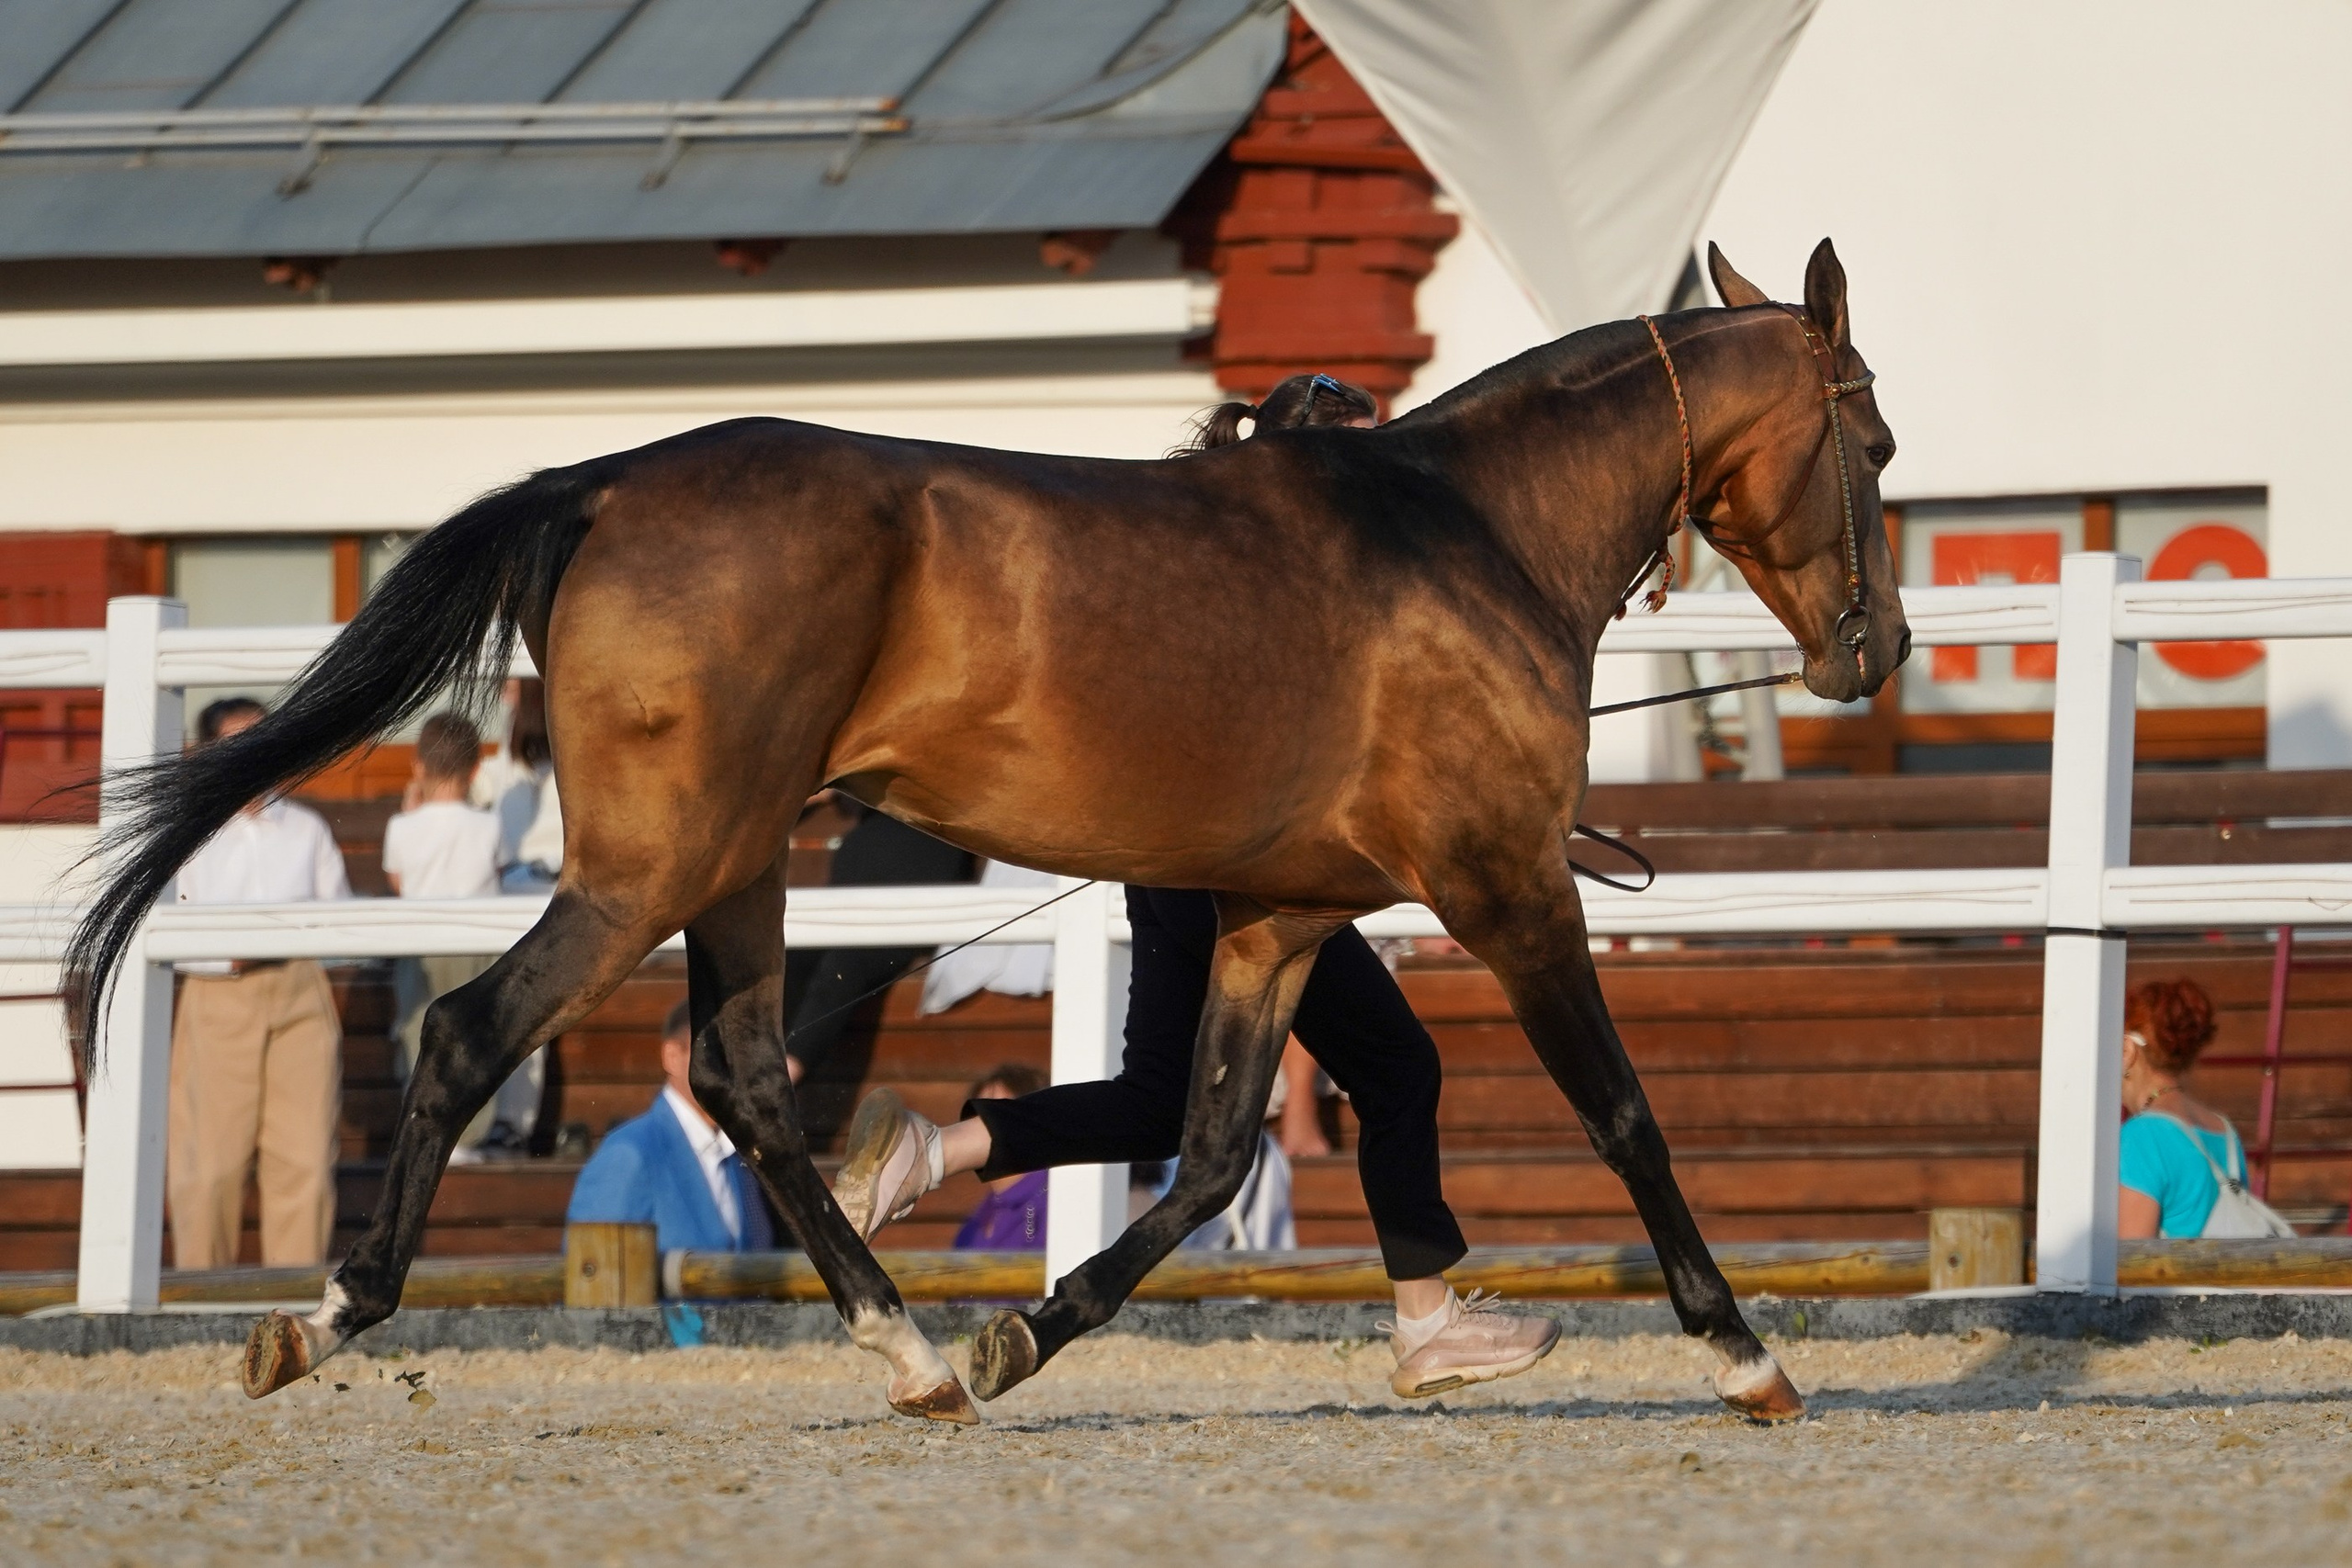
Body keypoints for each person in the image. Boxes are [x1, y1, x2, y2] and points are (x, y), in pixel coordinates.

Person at [166, 696, 351, 1269]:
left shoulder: (308, 829)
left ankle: (291, 1309)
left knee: (305, 1161)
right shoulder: (186, 832)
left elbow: (343, 918)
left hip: (299, 993)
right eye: (236, 740)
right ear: (206, 753)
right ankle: (203, 1307)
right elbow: (163, 922)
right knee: (211, 1167)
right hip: (219, 996)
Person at [385, 712, 539, 1161]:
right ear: (475, 770)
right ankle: (469, 1137)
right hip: (476, 946)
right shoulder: (489, 825)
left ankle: (420, 1129)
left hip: (419, 946)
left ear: (418, 767)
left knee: (419, 1036)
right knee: (476, 1040)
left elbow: (398, 882)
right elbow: (496, 869)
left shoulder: (401, 827)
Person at [567, 998, 775, 1253]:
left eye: (745, 1055)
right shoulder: (630, 1155)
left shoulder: (741, 1153)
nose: (736, 1067)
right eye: (718, 1052)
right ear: (673, 1056)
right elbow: (592, 1275)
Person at [2119, 977, 2296, 1239]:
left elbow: (2129, 1263)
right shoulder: (2222, 1129)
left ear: (2128, 1049)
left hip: (2176, 1282)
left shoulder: (2143, 1136)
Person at [952, 1065, 1048, 1250]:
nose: (982, 1124)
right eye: (976, 1113)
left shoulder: (1051, 1201)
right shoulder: (982, 1214)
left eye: (999, 1112)